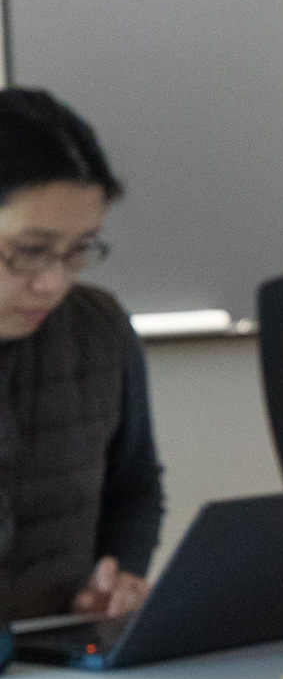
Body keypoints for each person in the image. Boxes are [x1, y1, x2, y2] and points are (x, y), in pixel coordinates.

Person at [0, 88, 162, 628]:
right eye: (29, 252)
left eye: (79, 251)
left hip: (57, 664)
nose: (52, 283)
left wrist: (117, 580)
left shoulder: (99, 329)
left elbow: (133, 489)